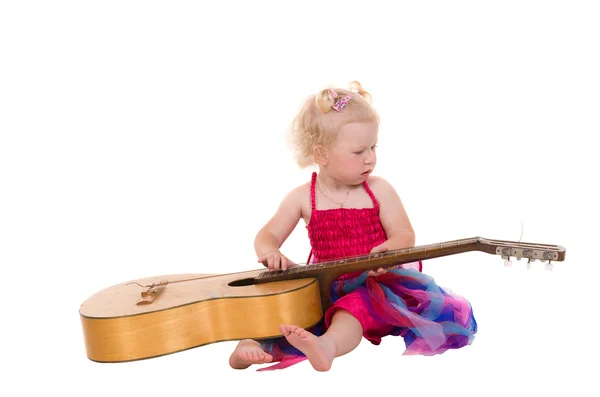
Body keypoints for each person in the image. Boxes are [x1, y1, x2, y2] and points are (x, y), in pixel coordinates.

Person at [228, 81, 477, 372]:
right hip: (324, 283)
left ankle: (327, 346)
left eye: (373, 147)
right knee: (281, 302)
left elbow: (404, 233)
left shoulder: (379, 190)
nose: (370, 157)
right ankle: (249, 342)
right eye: (359, 151)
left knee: (351, 310)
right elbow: (267, 234)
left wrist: (389, 250)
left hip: (374, 284)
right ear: (321, 154)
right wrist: (269, 250)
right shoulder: (302, 198)